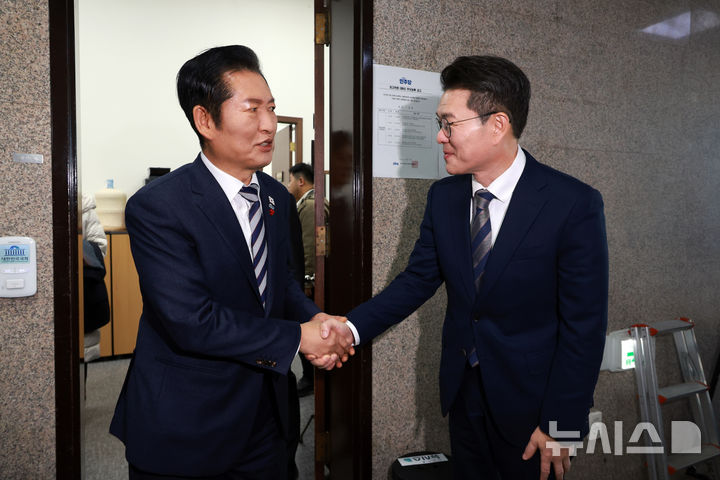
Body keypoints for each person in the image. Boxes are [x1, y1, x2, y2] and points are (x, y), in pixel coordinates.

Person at [321, 55, 609, 479]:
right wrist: (350, 329)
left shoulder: (572, 204)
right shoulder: (444, 198)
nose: (440, 136)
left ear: (497, 124)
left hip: (535, 409)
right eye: (440, 123)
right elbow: (417, 280)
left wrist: (561, 424)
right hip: (464, 394)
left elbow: (584, 326)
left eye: (449, 124)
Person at [109, 45, 353, 480]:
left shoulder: (276, 198)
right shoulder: (159, 206)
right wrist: (298, 337)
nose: (269, 124)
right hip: (189, 421)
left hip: (267, 416)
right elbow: (190, 319)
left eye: (271, 108)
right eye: (252, 109)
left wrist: (315, 319)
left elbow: (282, 284)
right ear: (205, 120)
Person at [287, 162, 330, 396]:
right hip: (310, 281)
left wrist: (307, 281)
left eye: (291, 180)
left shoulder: (310, 206)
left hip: (310, 283)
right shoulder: (312, 202)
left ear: (301, 181)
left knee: (308, 326)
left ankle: (310, 379)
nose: (289, 185)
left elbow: (310, 248)